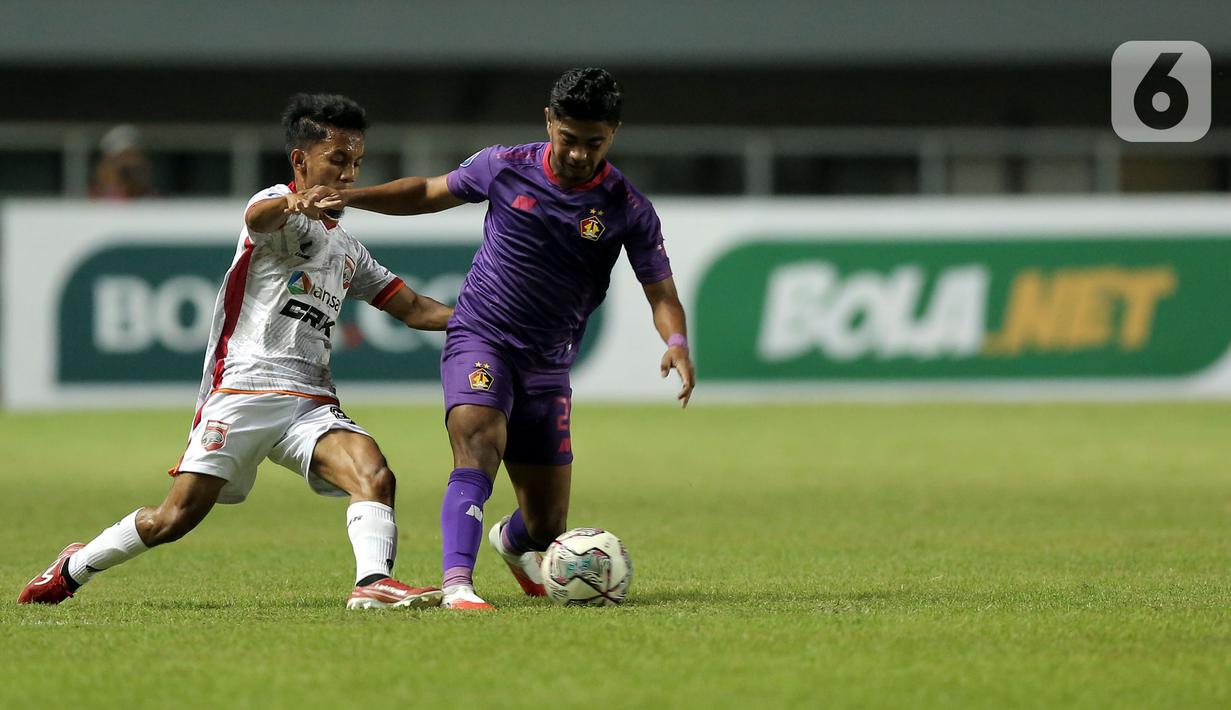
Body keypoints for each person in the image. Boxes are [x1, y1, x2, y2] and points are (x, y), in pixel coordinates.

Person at [19, 94, 453, 610]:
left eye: (356, 163)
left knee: (373, 472)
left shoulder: (348, 250)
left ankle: (373, 582)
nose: (348, 175)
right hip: (244, 388)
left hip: (310, 401)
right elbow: (258, 215)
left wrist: (490, 320)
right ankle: (73, 567)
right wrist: (294, 203)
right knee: (174, 519)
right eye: (337, 160)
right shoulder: (279, 208)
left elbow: (415, 308)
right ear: (301, 161)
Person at [338, 67, 695, 610]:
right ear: (549, 121)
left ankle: (508, 541)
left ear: (614, 134)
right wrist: (351, 197)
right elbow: (428, 191)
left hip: (548, 363)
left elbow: (661, 294)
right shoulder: (504, 166)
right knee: (477, 442)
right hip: (481, 335)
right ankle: (458, 584)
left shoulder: (627, 206)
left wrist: (677, 343)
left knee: (546, 525)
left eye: (594, 142)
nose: (578, 153)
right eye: (568, 138)